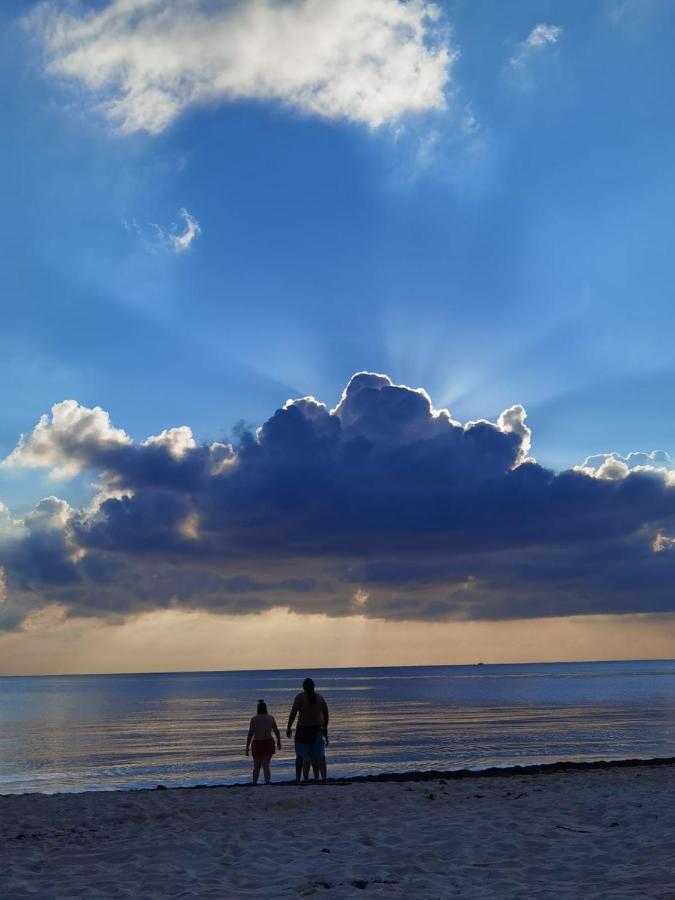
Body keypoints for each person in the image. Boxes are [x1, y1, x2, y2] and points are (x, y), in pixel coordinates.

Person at [286, 677, 329, 783]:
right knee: (317, 755)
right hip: (317, 729)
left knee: (300, 756)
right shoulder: (319, 698)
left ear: (303, 687)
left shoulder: (300, 697)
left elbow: (293, 713)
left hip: (303, 730)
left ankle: (298, 778)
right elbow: (326, 713)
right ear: (313, 687)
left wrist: (289, 727)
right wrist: (325, 729)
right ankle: (318, 778)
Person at [246, 699, 281, 784]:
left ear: (258, 709)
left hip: (257, 742)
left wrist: (247, 747)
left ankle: (254, 782)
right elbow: (276, 731)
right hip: (268, 742)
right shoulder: (270, 718)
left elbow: (250, 734)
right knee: (266, 766)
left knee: (256, 766)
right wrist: (278, 741)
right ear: (266, 708)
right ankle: (267, 782)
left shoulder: (254, 719)